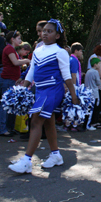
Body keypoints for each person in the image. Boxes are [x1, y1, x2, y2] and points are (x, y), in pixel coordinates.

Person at [9, 19, 79, 173]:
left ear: (57, 36)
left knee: (35, 121)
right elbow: (31, 71)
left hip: (53, 90)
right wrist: (23, 89)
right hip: (40, 90)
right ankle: (56, 155)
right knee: (49, 123)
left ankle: (27, 160)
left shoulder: (60, 52)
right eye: (43, 31)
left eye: (50, 31)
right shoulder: (38, 51)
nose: (45, 33)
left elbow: (66, 75)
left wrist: (74, 95)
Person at [0, 31, 30, 137]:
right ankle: (2, 129)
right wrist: (27, 61)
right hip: (8, 79)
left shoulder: (12, 49)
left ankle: (8, 127)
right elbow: (15, 62)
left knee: (10, 105)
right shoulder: (9, 49)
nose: (20, 41)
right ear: (12, 39)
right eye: (19, 38)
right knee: (5, 105)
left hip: (12, 79)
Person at [84, 58, 101, 131]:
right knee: (92, 110)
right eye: (98, 63)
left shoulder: (88, 72)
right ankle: (88, 125)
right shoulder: (95, 72)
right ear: (95, 64)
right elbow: (98, 82)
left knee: (88, 109)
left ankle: (86, 124)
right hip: (94, 92)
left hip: (87, 92)